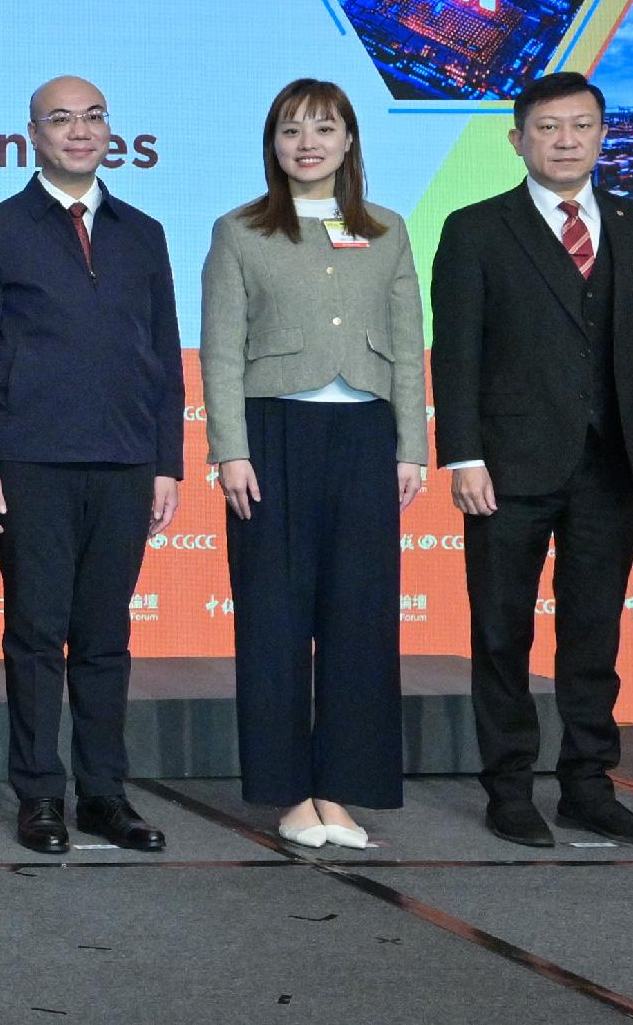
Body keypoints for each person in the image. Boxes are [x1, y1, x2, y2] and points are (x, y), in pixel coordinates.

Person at [430, 71, 633, 850]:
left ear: (603, 135)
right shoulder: (475, 228)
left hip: (612, 465)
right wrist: (462, 454)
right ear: (517, 139)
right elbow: (457, 354)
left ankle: (588, 787)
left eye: (580, 126)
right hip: (507, 466)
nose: (565, 140)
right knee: (502, 632)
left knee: (594, 633)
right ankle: (509, 789)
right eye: (547, 127)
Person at [0, 75, 180, 855]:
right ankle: (40, 793)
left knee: (107, 637)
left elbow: (163, 353)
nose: (80, 131)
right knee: (37, 634)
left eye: (93, 117)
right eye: (61, 119)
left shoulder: (142, 231)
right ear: (33, 135)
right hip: (30, 461)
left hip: (125, 461)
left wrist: (167, 460)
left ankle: (105, 794)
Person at [198, 79, 425, 849]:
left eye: (324, 128)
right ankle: (289, 792)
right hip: (273, 435)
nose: (307, 143)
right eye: (291, 129)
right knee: (274, 619)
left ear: (349, 140)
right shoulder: (239, 231)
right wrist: (230, 449)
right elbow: (221, 350)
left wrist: (411, 446)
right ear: (272, 143)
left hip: (365, 434)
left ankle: (341, 789)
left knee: (361, 618)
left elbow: (407, 346)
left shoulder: (387, 230)